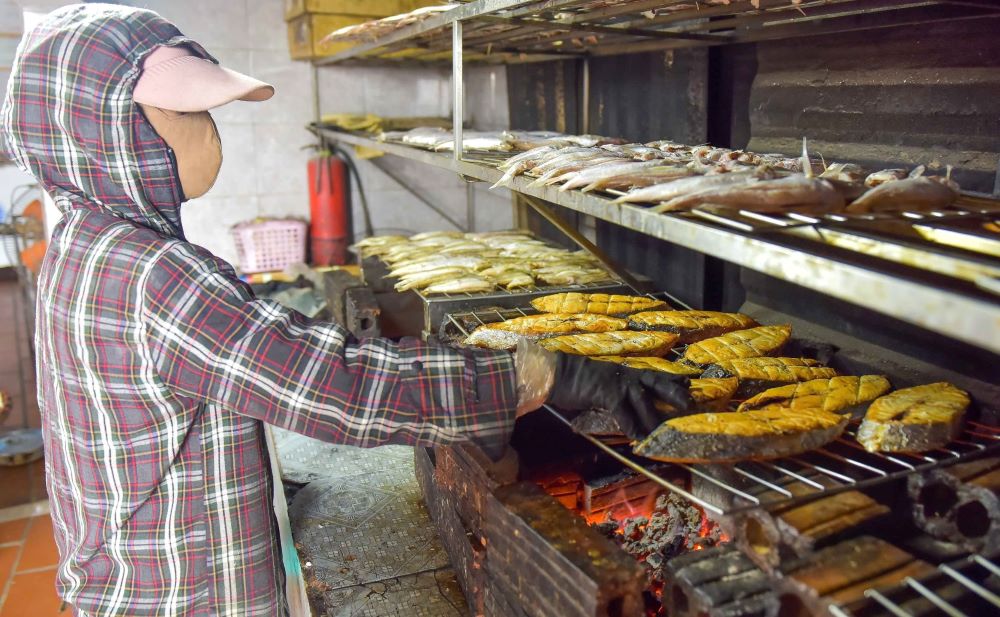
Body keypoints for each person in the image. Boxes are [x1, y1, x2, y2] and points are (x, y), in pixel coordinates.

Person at [1, 4, 691, 616]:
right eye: (182, 112)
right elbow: (337, 385)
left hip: (126, 582)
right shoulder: (153, 276)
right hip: (185, 594)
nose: (204, 127)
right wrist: (538, 376)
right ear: (103, 138)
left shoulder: (85, 243)